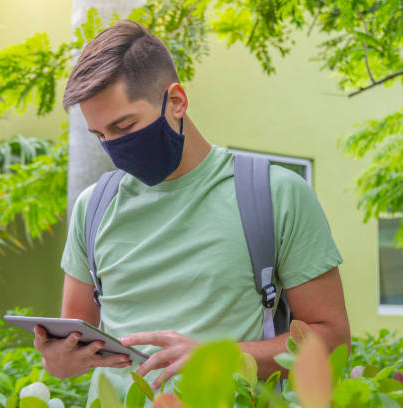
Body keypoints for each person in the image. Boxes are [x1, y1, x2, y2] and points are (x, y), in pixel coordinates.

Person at [33, 19, 351, 404]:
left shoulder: (276, 194)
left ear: (177, 101)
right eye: (100, 136)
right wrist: (59, 361)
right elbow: (70, 350)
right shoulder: (93, 209)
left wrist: (217, 358)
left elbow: (332, 340)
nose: (114, 148)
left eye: (124, 125)